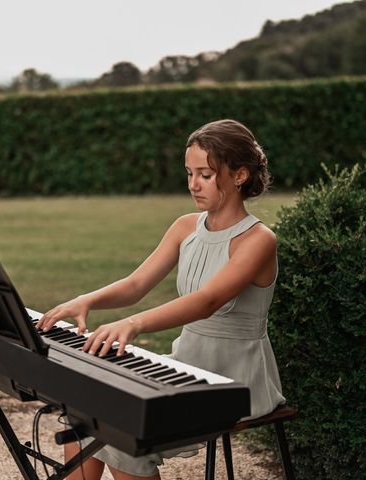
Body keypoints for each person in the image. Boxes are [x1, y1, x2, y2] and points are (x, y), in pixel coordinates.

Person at [36, 119, 286, 480]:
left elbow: (208, 301)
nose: (193, 184)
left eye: (205, 174)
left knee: (125, 436)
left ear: (239, 175)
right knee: (84, 410)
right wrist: (86, 300)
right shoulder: (185, 226)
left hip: (237, 381)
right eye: (189, 173)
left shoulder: (259, 240)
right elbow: (137, 283)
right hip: (184, 365)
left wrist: (134, 322)